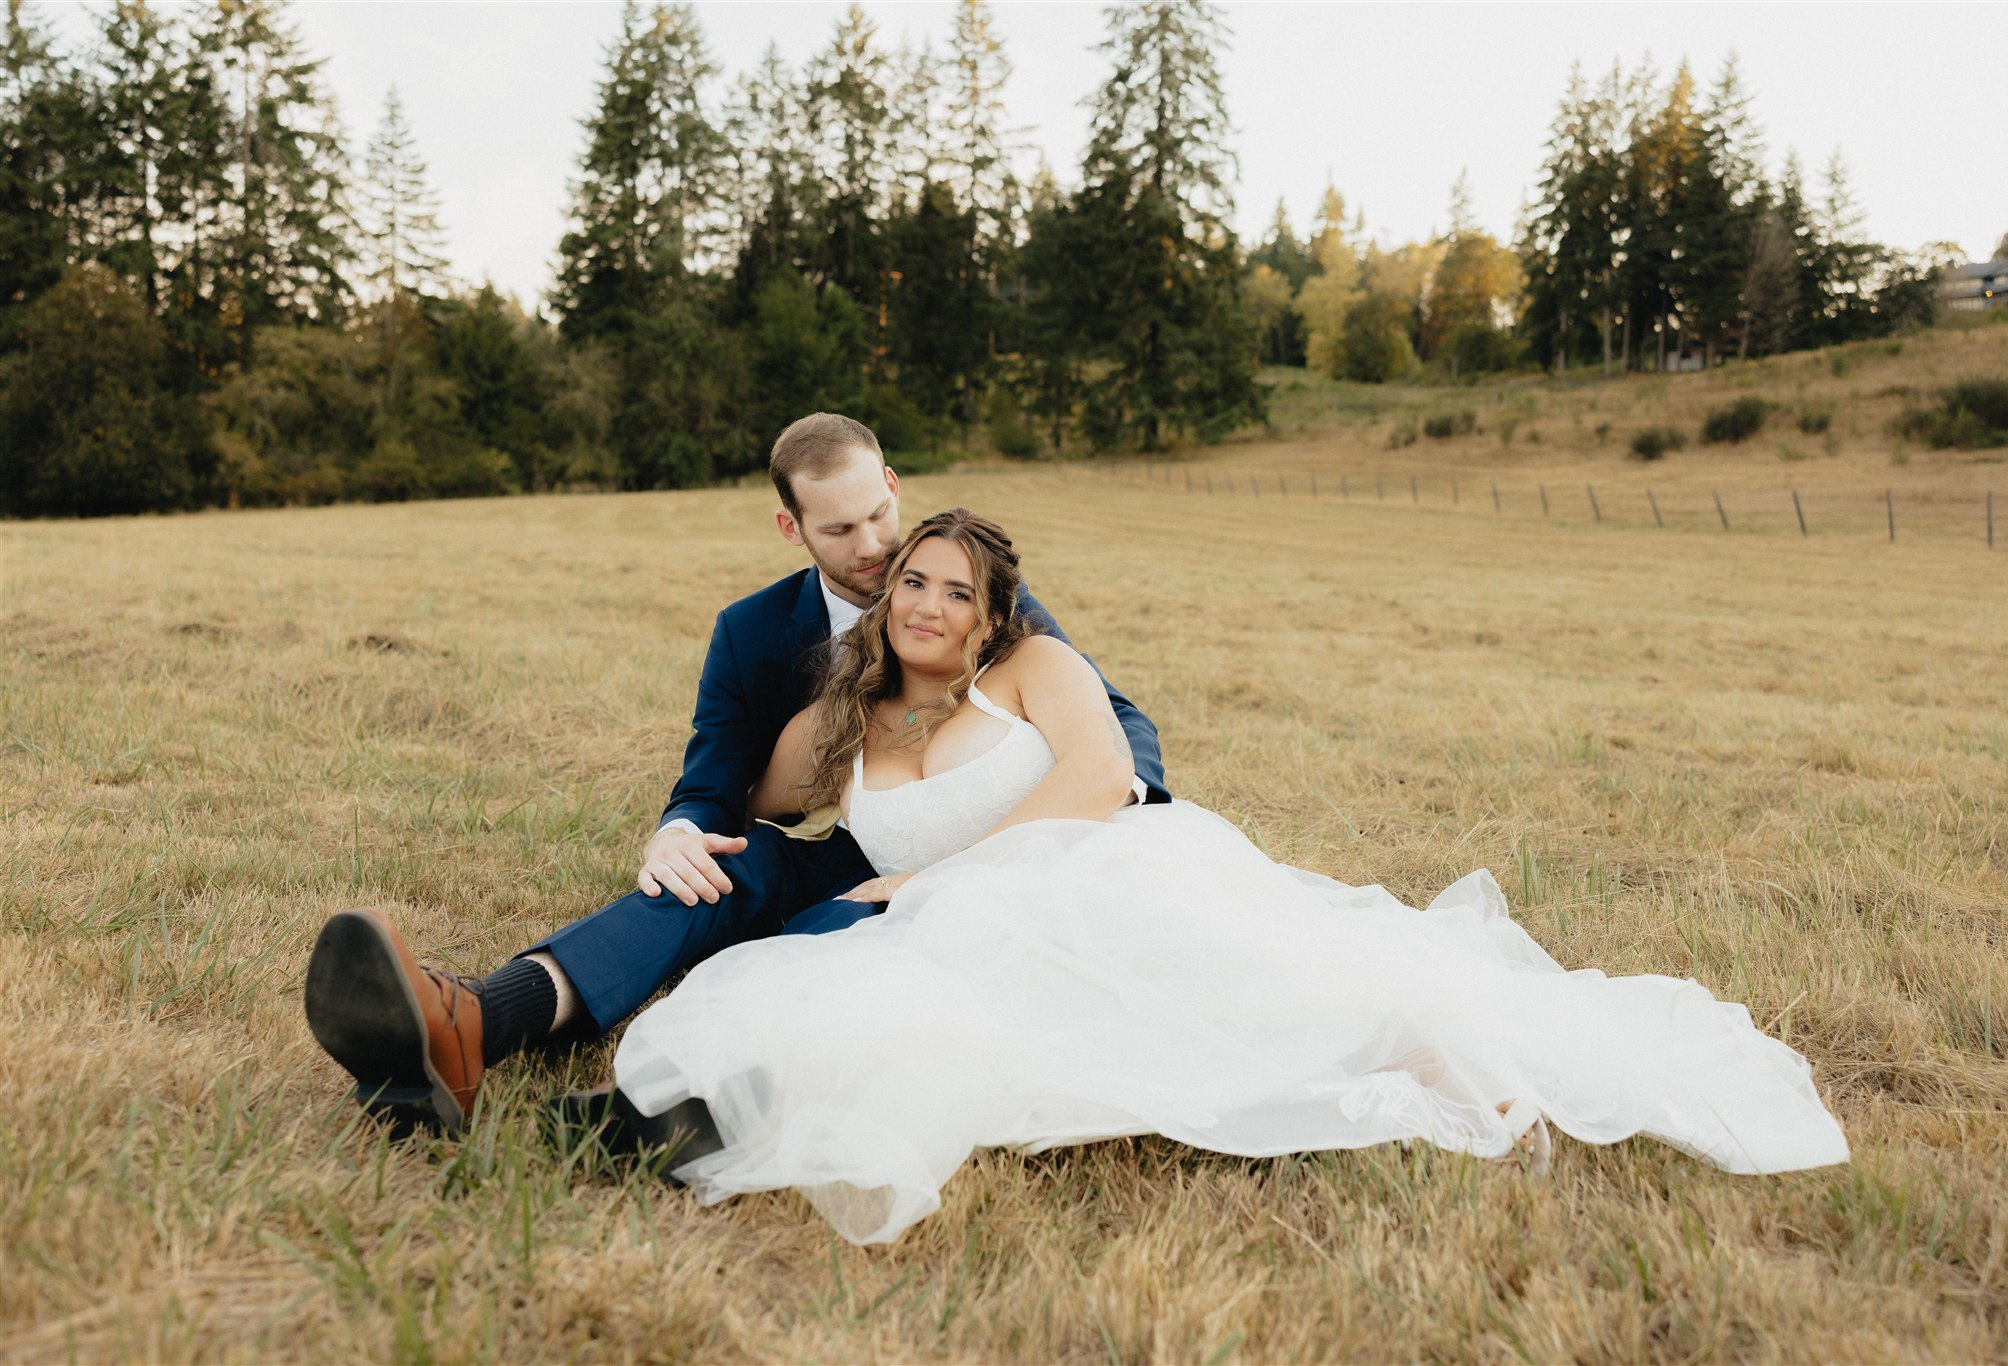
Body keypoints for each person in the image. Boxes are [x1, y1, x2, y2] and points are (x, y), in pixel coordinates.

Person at [600, 508, 1851, 1245]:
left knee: (1323, 1012)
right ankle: (637, 1123)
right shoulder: (859, 712)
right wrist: (832, 676)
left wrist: (924, 885)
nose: (925, 602)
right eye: (909, 582)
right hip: (962, 932)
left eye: (952, 591)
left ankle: (1456, 1068)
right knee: (844, 1019)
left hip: (1110, 889)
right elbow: (755, 791)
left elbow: (1095, 784)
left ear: (991, 614)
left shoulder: (1033, 669)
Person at [302, 416, 1168, 1137]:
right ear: (792, 528)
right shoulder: (750, 632)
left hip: (996, 850)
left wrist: (1092, 846)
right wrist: (682, 827)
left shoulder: (974, 589)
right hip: (859, 841)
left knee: (840, 934)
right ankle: (476, 1023)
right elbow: (721, 777)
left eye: (879, 517)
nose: (873, 551)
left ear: (895, 488)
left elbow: (1114, 730)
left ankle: (698, 1099)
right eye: (839, 530)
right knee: (725, 866)